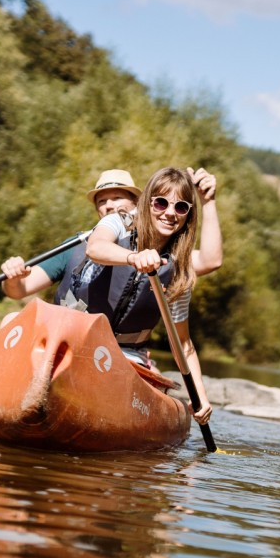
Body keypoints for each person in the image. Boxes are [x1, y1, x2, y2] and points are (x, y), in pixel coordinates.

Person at [76, 167, 213, 425]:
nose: (170, 213)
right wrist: (133, 257)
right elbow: (95, 246)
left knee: (146, 383)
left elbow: (183, 343)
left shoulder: (178, 270)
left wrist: (201, 398)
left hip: (127, 354)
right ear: (147, 202)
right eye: (161, 203)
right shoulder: (117, 222)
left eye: (181, 207)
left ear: (187, 216)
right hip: (80, 336)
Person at [0, 167, 222, 301]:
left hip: (116, 352)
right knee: (11, 319)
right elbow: (19, 291)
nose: (108, 206)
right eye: (102, 201)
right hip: (73, 338)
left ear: (138, 203)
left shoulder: (162, 254)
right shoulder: (77, 246)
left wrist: (207, 201)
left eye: (116, 198)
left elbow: (210, 261)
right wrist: (13, 279)